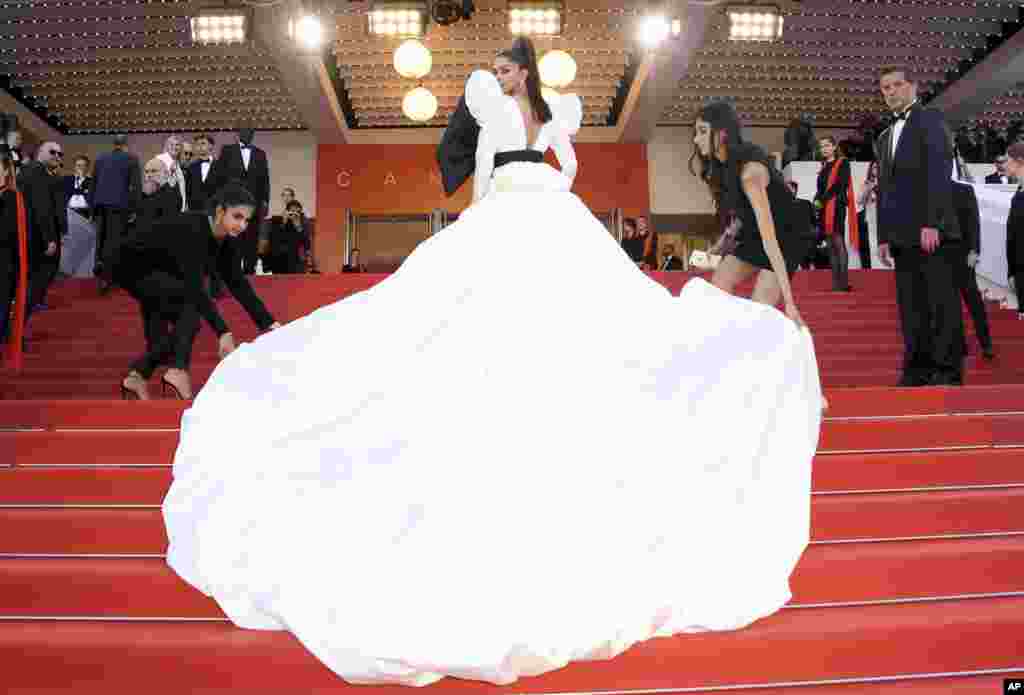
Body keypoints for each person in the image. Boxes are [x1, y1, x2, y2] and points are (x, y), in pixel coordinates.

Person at [162, 37, 822, 688]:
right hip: (529, 218)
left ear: (524, 71)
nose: (500, 76)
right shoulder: (512, 102)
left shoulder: (549, 108)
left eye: (508, 68)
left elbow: (541, 166)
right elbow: (518, 168)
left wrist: (510, 195)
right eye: (499, 69)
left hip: (541, 220)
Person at [111, 184, 280, 401]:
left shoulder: (226, 240)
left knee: (188, 319)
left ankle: (139, 375)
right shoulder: (193, 227)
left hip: (160, 270)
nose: (242, 225)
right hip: (131, 266)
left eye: (246, 220)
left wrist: (268, 323)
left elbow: (237, 283)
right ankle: (176, 371)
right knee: (190, 312)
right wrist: (222, 331)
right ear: (220, 211)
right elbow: (194, 288)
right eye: (237, 216)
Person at [875, 65, 963, 386]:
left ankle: (947, 371)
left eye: (897, 85)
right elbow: (884, 190)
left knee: (940, 302)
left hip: (930, 231)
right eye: (886, 88)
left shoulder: (931, 119)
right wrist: (883, 236)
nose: (892, 92)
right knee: (911, 308)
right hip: (900, 236)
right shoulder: (884, 136)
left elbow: (939, 173)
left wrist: (932, 223)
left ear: (913, 86)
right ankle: (917, 369)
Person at [691, 101, 813, 326]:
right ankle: (728, 338)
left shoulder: (750, 173)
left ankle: (753, 342)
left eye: (703, 131)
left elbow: (770, 239)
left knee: (759, 307)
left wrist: (790, 303)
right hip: (756, 232)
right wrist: (717, 248)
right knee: (720, 280)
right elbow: (742, 215)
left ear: (722, 133)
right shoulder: (724, 168)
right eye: (696, 132)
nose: (696, 139)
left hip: (786, 235)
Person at [949, 148, 994, 359]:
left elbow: (974, 223)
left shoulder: (965, 191)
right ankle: (959, 346)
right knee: (949, 306)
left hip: (964, 255)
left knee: (973, 301)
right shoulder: (929, 193)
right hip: (940, 258)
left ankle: (986, 343)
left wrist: (975, 250)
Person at [814, 136, 858, 289]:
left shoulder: (843, 162)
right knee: (830, 245)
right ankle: (835, 284)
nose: (824, 149)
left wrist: (823, 199)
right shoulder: (823, 166)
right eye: (822, 146)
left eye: (827, 145)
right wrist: (816, 201)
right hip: (825, 207)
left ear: (834, 147)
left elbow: (841, 184)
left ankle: (844, 283)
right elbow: (819, 190)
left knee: (838, 241)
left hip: (836, 206)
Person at [1005, 142, 1024, 320]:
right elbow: (1013, 237)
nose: (1005, 164)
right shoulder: (1018, 192)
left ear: (1019, 161)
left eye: (1008, 160)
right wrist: (1012, 271)